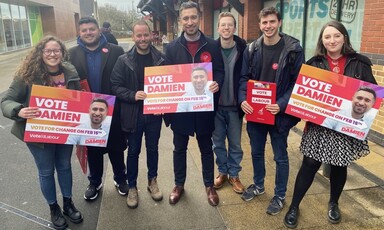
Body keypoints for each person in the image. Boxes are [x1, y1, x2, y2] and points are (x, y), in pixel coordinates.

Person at [284, 20, 378, 229]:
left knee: (339, 166)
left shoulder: (359, 63)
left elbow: (374, 95)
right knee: (309, 165)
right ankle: (294, 206)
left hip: (344, 128)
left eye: (336, 35)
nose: (332, 40)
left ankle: (334, 203)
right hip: (319, 127)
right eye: (327, 37)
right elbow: (302, 97)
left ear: (344, 37)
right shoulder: (312, 64)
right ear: (322, 40)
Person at [1, 36, 83, 230]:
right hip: (39, 134)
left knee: (64, 167)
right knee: (46, 171)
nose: (53, 54)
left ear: (63, 52)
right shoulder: (27, 75)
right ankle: (53, 208)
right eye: (48, 51)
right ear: (41, 53)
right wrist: (18, 110)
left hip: (64, 132)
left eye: (57, 51)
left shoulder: (70, 71)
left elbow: (78, 100)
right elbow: (6, 101)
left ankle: (68, 203)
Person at [238, 6, 304, 215]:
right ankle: (258, 185)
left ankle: (280, 195)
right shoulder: (252, 49)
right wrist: (242, 100)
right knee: (256, 152)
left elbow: (297, 83)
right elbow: (243, 79)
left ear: (279, 23)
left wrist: (282, 104)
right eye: (264, 23)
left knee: (280, 157)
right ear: (260, 25)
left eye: (272, 22)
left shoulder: (293, 49)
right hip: (257, 113)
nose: (268, 26)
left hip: (279, 114)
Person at [163, 1, 224, 207]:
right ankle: (179, 185)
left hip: (204, 108)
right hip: (181, 110)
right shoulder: (171, 48)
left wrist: (217, 84)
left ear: (200, 18)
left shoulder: (213, 45)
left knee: (207, 148)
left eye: (193, 17)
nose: (190, 22)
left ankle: (209, 186)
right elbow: (166, 78)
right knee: (179, 148)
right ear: (180, 21)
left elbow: (221, 71)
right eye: (186, 18)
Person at [68, 16, 128, 200]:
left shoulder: (116, 50)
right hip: (87, 112)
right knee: (92, 149)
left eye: (91, 29)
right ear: (79, 32)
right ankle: (95, 182)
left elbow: (126, 75)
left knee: (116, 147)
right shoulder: (71, 54)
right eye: (84, 30)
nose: (88, 33)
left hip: (113, 109)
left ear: (98, 30)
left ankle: (120, 178)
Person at [111, 20, 166, 209]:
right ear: (133, 37)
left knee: (153, 149)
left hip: (154, 114)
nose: (143, 39)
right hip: (133, 114)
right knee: (133, 151)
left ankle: (153, 181)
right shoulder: (123, 60)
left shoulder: (161, 58)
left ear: (151, 35)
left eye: (146, 35)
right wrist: (133, 95)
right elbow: (116, 86)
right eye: (139, 35)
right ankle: (132, 187)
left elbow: (170, 84)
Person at [212, 12, 247, 194]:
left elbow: (247, 76)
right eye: (223, 25)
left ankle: (234, 174)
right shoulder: (211, 49)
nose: (226, 28)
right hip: (216, 107)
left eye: (229, 25)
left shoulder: (243, 50)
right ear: (218, 28)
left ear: (235, 28)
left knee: (235, 143)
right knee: (217, 142)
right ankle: (222, 172)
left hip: (234, 107)